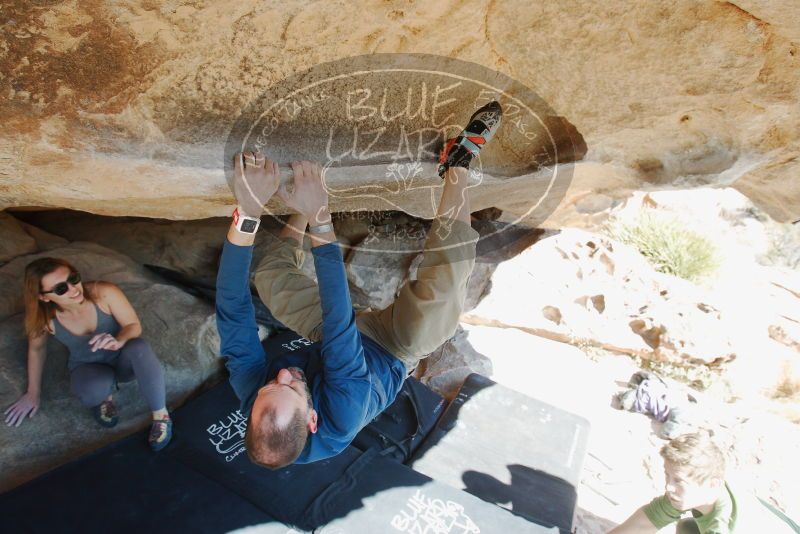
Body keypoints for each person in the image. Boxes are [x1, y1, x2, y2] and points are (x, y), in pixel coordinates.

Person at [216, 102, 502, 468]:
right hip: (392, 347)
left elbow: (232, 307)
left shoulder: (257, 397)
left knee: (270, 278)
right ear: (313, 419)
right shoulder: (343, 410)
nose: (281, 375)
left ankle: (301, 195)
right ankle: (458, 163)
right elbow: (339, 319)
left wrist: (249, 210)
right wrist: (322, 218)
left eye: (270, 385)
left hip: (327, 341)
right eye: (290, 387)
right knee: (441, 301)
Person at [4, 258, 173, 451]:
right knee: (88, 394)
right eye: (61, 289)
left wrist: (118, 340)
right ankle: (105, 397)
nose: (74, 289)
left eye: (73, 279)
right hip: (88, 365)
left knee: (139, 347)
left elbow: (133, 325)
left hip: (123, 359)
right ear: (43, 297)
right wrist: (33, 393)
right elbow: (36, 349)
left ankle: (162, 416)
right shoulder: (44, 318)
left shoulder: (104, 293)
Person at [609, 431, 798, 533]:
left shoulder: (721, 528)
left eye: (679, 481)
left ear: (713, 484)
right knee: (687, 528)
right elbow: (643, 523)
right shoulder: (700, 486)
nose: (669, 486)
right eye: (668, 476)